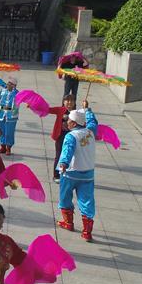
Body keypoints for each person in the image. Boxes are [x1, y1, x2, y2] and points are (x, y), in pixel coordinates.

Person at [57, 101, 98, 241]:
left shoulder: (71, 136)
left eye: (68, 120)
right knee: (86, 201)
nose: (67, 122)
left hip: (70, 173)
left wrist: (63, 163)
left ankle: (68, 223)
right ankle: (87, 232)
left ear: (74, 123)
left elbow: (67, 150)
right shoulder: (91, 132)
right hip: (87, 174)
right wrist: (87, 109)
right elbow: (92, 121)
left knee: (65, 197)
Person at [48, 94, 76, 182]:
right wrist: (34, 106)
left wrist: (86, 108)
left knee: (70, 155)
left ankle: (66, 173)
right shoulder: (60, 110)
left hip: (71, 136)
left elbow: (85, 120)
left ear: (74, 102)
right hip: (60, 135)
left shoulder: (76, 113)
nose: (69, 102)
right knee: (59, 155)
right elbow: (47, 109)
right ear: (63, 102)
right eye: (67, 100)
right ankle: (56, 175)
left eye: (71, 100)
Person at [0, 77, 19, 155]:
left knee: (9, 132)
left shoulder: (17, 93)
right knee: (1, 130)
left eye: (10, 83)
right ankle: (2, 147)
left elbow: (24, 99)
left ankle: (8, 148)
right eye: (8, 82)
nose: (8, 84)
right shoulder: (2, 91)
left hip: (11, 115)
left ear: (14, 85)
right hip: (1, 113)